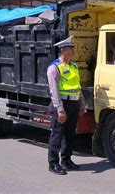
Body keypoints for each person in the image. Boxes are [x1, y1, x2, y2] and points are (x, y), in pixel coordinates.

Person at [46, 36, 86, 175]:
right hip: (62, 104)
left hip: (74, 103)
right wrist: (60, 109)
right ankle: (53, 163)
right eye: (71, 48)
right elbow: (54, 90)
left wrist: (82, 103)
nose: (74, 50)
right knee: (57, 135)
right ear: (63, 50)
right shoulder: (54, 68)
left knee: (70, 135)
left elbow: (77, 86)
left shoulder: (73, 65)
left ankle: (66, 160)